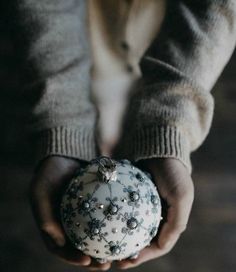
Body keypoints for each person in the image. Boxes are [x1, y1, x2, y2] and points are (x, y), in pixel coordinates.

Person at [2, 0, 235, 271]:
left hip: (169, 39)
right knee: (104, 104)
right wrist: (63, 125)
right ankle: (107, 135)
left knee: (117, 110)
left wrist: (167, 125)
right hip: (82, 44)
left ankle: (110, 135)